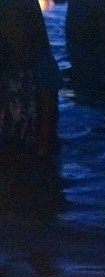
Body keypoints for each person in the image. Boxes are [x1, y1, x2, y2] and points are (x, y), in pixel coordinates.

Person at [0, 0, 61, 159]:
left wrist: (43, 155)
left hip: (31, 151)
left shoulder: (43, 67)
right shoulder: (6, 66)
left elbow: (49, 116)